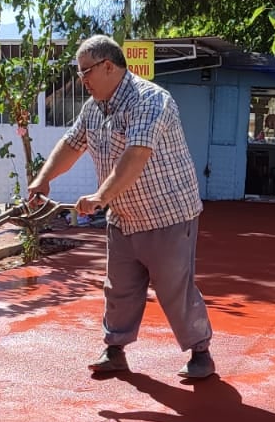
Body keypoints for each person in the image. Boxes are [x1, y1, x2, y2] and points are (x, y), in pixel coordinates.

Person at [27, 35, 215, 380]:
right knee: (119, 287)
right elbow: (71, 144)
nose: (82, 80)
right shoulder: (94, 108)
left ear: (108, 66)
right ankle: (115, 349)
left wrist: (101, 195)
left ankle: (200, 352)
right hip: (125, 216)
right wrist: (43, 179)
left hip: (167, 213)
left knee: (174, 287)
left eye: (86, 72)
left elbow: (137, 154)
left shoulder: (151, 100)